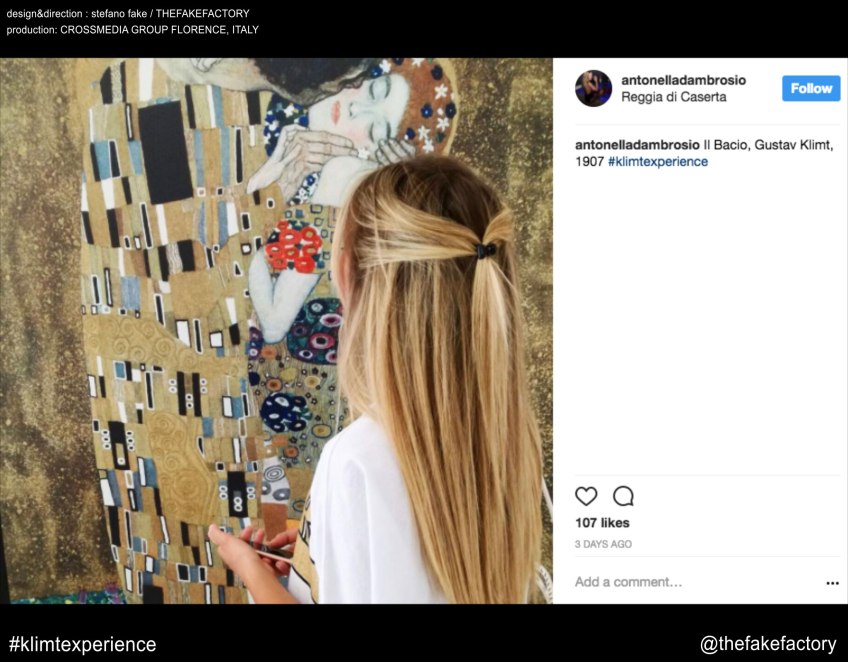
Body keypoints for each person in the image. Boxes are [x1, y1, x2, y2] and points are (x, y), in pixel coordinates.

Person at [208, 154, 544, 604]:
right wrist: (317, 555)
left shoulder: (357, 461)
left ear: (347, 275)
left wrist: (252, 573)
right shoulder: (515, 441)